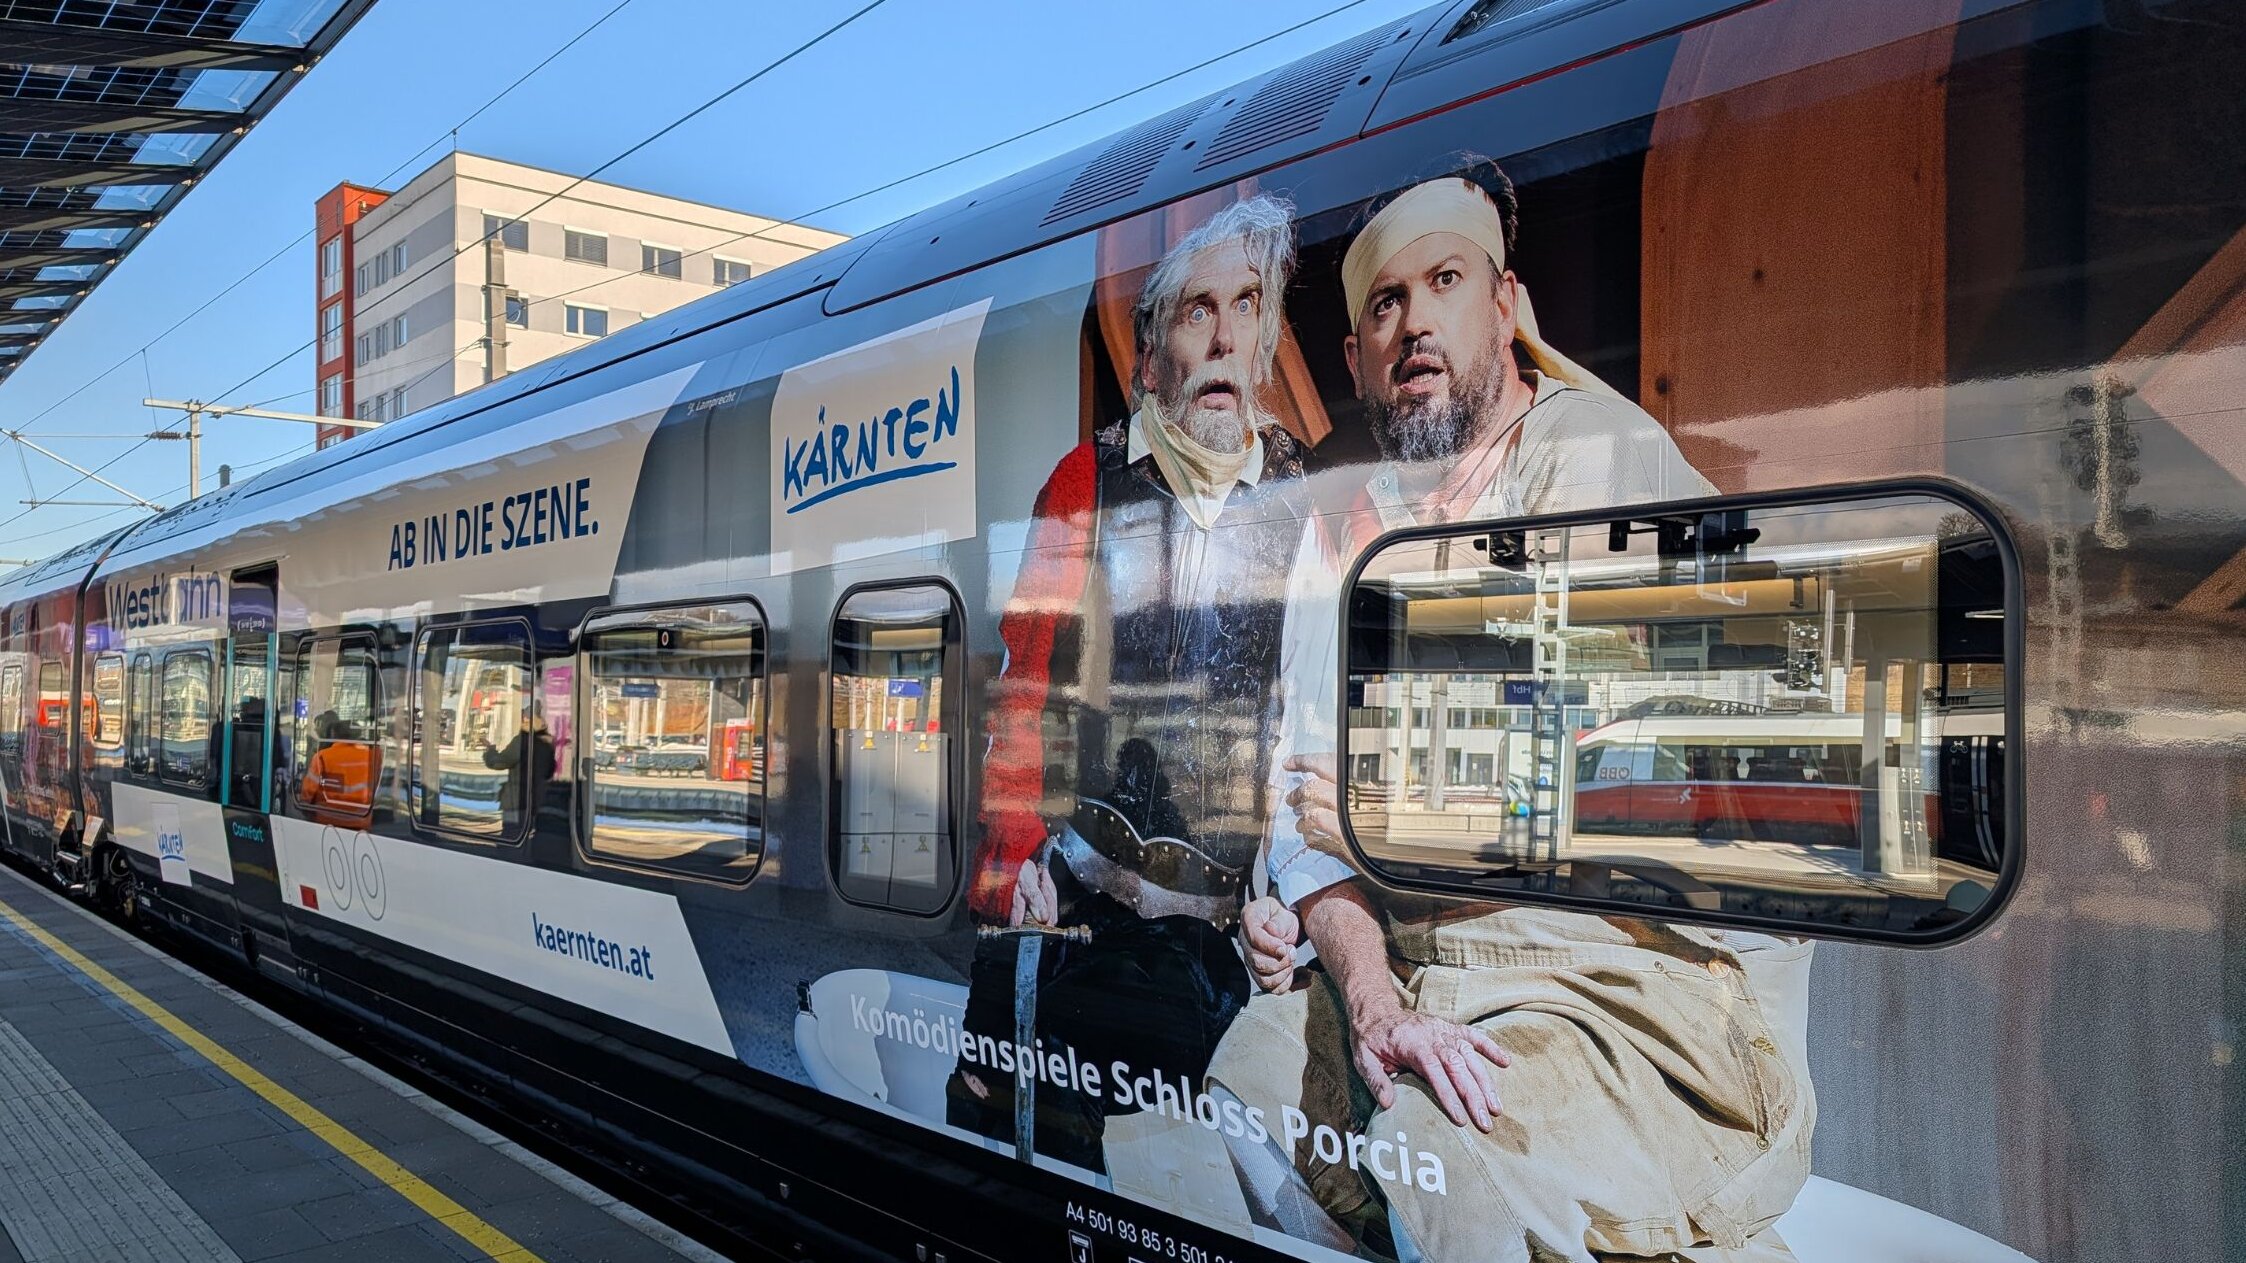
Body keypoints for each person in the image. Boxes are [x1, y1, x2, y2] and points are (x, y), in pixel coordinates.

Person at [1205, 160, 1813, 1262]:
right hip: (1421, 967)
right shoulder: (1342, 531)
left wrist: (1394, 810)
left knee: (1448, 1147)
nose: (1413, 323)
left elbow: (1689, 781)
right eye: (1383, 305)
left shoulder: (1599, 461)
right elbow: (1309, 826)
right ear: (1354, 358)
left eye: (1443, 281)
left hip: (1623, 985)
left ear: (1502, 305)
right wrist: (1374, 1001)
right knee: (1244, 1088)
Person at [946, 194, 1312, 1172]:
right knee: (1034, 1154)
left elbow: (1296, 725)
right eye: (1199, 308)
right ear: (1156, 341)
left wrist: (1288, 901)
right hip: (1071, 905)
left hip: (1219, 940)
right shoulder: (1086, 481)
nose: (1225, 333)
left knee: (1186, 1180)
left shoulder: (1302, 498)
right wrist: (1010, 861)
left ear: (1268, 328)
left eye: (1246, 303)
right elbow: (1030, 687)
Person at [482, 708, 556, 837]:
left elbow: (499, 763)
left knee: (511, 836)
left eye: (525, 718)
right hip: (537, 800)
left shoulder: (523, 740)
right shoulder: (548, 742)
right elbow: (550, 771)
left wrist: (490, 750)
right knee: (528, 835)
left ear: (528, 719)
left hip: (516, 801)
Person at [299, 710, 379, 824]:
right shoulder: (371, 756)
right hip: (361, 822)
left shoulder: (322, 757)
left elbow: (307, 794)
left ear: (333, 734)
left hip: (327, 821)